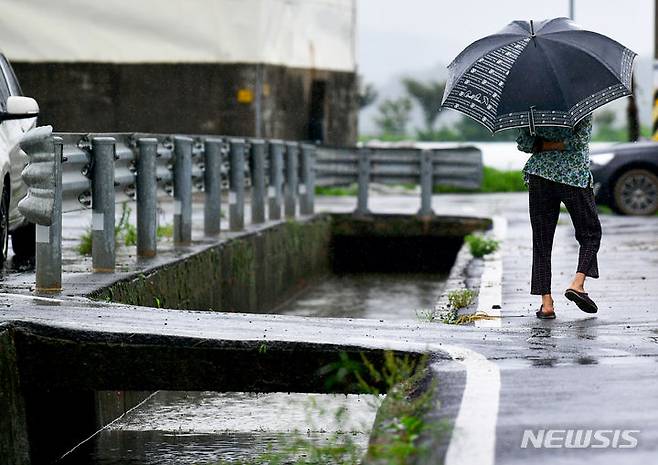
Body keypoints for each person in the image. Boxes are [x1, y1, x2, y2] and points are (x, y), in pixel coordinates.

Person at [516, 114, 601, 319]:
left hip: (540, 176)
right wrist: (559, 144)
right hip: (573, 176)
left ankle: (546, 304)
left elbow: (524, 143)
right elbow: (578, 141)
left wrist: (543, 146)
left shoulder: (531, 108)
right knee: (590, 234)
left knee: (542, 241)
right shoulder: (580, 104)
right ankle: (577, 284)